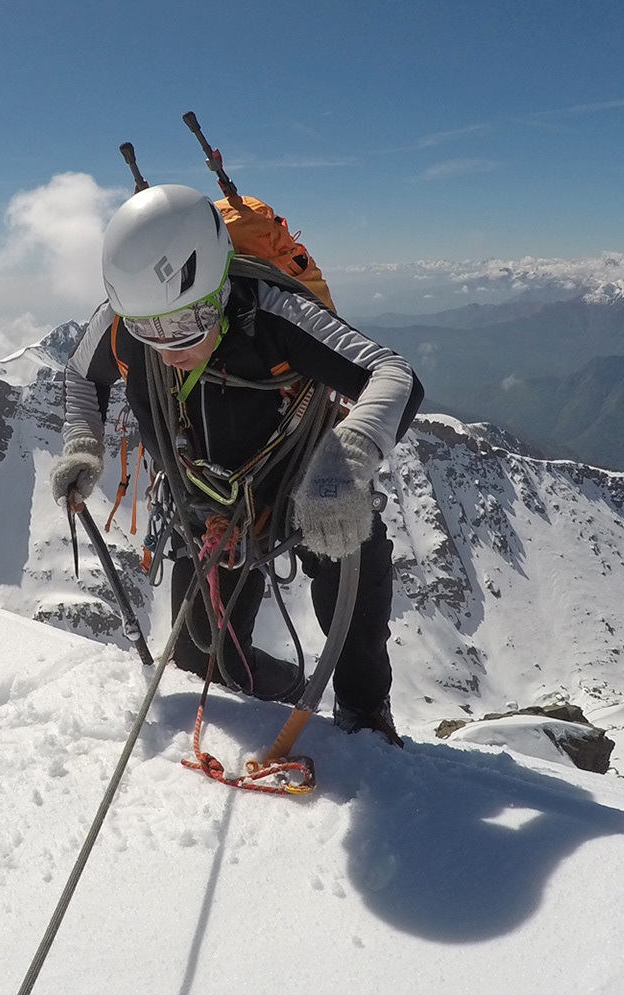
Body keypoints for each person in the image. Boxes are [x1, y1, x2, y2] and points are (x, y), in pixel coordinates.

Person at [51, 184, 422, 744]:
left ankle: (365, 716)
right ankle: (278, 700)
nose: (167, 348)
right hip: (206, 509)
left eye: (183, 325)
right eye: (148, 330)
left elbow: (392, 375)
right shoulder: (123, 321)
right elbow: (82, 375)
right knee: (205, 655)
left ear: (219, 286)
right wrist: (83, 443)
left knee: (355, 580)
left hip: (303, 484)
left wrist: (343, 464)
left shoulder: (272, 312)